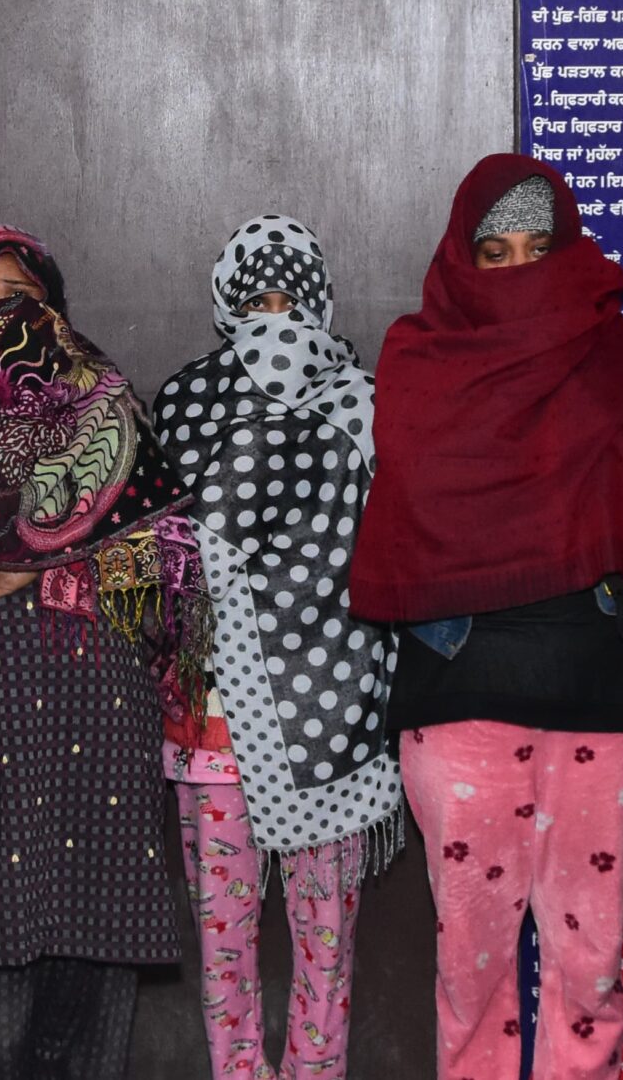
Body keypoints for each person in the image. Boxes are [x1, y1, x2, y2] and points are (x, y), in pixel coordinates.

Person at [352, 153, 623, 1080]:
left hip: (602, 707)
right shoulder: (420, 365)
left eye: (540, 249)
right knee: (470, 979)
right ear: (464, 261)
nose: (522, 271)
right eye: (498, 254)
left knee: (589, 978)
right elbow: (405, 529)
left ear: (569, 251)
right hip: (462, 709)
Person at [0, 226, 199, 1080]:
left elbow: (173, 567)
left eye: (24, 296)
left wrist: (55, 567)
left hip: (104, 737)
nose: (8, 315)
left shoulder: (113, 408)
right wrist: (79, 549)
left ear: (55, 306)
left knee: (94, 998)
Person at [150, 215, 402, 1080]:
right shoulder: (185, 401)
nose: (276, 323)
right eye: (258, 303)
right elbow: (163, 554)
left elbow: (389, 549)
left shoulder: (364, 402)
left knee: (325, 945)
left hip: (330, 725)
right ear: (229, 305)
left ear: (319, 303)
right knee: (224, 948)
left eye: (291, 302)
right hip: (219, 724)